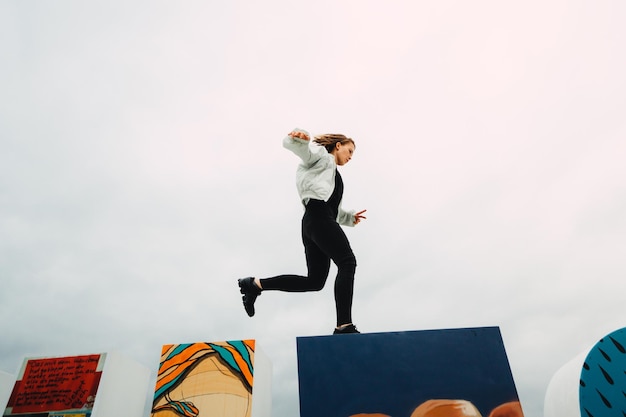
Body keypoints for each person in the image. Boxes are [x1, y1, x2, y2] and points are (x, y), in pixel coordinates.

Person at [238, 128, 367, 335]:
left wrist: (349, 218)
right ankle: (344, 325)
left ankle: (255, 285)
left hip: (314, 220)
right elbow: (304, 152)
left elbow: (332, 209)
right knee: (347, 262)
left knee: (315, 281)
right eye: (349, 151)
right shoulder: (322, 157)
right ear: (338, 145)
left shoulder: (334, 175)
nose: (351, 156)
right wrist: (298, 139)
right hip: (317, 217)